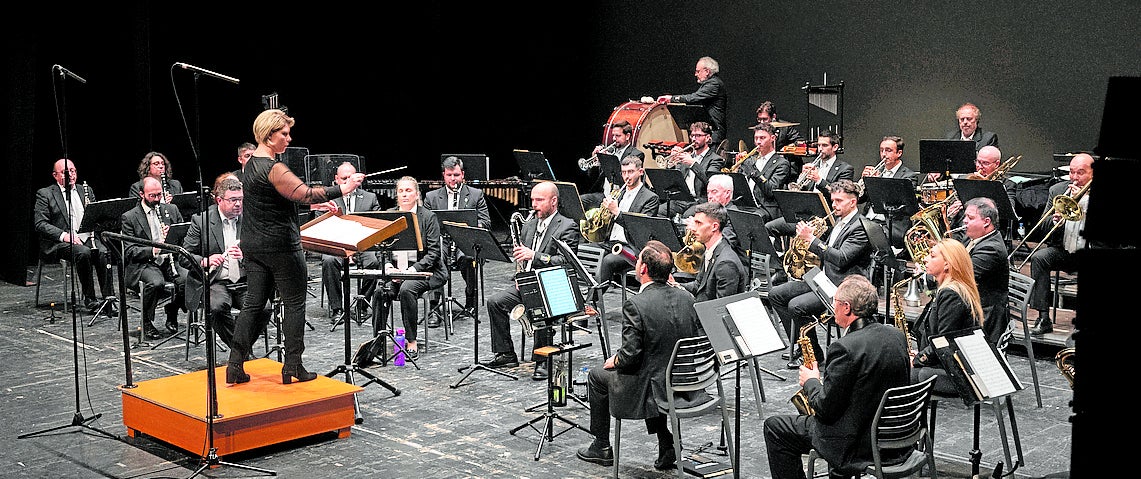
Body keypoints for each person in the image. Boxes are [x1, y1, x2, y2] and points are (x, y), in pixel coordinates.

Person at [226, 108, 364, 385]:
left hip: (254, 244)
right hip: (281, 246)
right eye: (284, 134)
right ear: (269, 135)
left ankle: (234, 365)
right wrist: (345, 189)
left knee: (253, 304)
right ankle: (293, 366)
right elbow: (304, 192)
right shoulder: (274, 167)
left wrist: (313, 204)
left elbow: (276, 199)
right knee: (295, 304)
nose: (289, 139)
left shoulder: (250, 164)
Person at [763, 274, 911, 479]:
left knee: (775, 428)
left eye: (835, 303)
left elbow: (825, 410)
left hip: (856, 442)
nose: (832, 309)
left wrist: (812, 381)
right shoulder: (896, 335)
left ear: (847, 307)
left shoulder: (844, 348)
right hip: (896, 435)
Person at [575, 240, 700, 471]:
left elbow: (631, 356)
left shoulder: (636, 304)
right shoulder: (687, 298)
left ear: (642, 269)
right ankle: (666, 442)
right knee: (653, 368)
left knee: (597, 376)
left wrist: (617, 359)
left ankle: (601, 445)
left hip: (654, 385)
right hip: (683, 379)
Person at [769, 179, 873, 369]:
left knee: (797, 306)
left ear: (853, 202)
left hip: (842, 286)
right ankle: (802, 345)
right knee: (776, 294)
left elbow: (841, 258)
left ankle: (814, 355)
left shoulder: (860, 227)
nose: (834, 205)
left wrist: (812, 240)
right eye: (833, 201)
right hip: (823, 278)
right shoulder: (839, 222)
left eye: (839, 201)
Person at [482, 181, 580, 380]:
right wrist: (521, 276)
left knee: (538, 308)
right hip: (528, 283)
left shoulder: (568, 226)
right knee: (495, 302)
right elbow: (522, 260)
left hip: (554, 286)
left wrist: (534, 255)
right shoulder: (530, 224)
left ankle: (542, 360)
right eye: (533, 199)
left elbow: (566, 263)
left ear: (554, 201)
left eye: (539, 200)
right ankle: (506, 353)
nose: (534, 204)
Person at [180, 174, 268, 350]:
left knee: (265, 308)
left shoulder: (250, 218)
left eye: (241, 200)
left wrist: (245, 255)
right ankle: (242, 351)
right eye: (233, 200)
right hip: (216, 281)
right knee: (217, 308)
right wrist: (205, 260)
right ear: (219, 200)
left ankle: (239, 351)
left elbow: (264, 251)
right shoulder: (202, 221)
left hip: (244, 281)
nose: (238, 204)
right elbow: (184, 256)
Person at [370, 176, 448, 360]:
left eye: (409, 191)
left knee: (407, 289)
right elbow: (381, 249)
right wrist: (389, 267)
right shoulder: (389, 215)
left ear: (417, 194)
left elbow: (434, 253)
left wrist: (410, 273)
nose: (404, 194)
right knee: (380, 291)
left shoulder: (428, 217)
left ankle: (411, 341)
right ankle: (377, 342)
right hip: (396, 272)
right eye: (401, 191)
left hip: (426, 271)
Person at [33, 159, 117, 315]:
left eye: (73, 171)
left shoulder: (85, 190)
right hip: (59, 242)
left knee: (104, 252)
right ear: (55, 175)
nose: (71, 175)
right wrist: (65, 236)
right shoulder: (45, 194)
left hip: (86, 237)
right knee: (83, 253)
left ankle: (108, 299)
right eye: (66, 172)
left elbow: (95, 215)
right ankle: (90, 299)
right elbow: (40, 224)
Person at [1027, 152, 1093, 336]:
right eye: (1072, 172)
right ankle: (1043, 318)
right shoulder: (1057, 190)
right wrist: (1056, 219)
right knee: (1040, 257)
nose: (1074, 177)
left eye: (1080, 173)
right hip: (1063, 250)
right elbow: (1041, 227)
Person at [910, 238, 985, 396]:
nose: (925, 259)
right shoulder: (951, 288)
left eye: (932, 255)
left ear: (947, 264)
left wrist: (918, 359)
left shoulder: (951, 294)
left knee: (900, 373)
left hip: (958, 374)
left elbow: (942, 342)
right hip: (950, 364)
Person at [422, 155, 491, 323]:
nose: (453, 179)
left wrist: (473, 226)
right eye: (449, 175)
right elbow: (423, 222)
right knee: (435, 257)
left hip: (465, 238)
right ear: (444, 176)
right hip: (441, 239)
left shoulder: (476, 195)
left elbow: (486, 222)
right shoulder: (431, 197)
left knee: (468, 257)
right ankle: (434, 307)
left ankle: (470, 302)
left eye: (456, 175)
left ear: (463, 175)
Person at [313, 162, 381, 325]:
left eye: (351, 178)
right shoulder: (327, 198)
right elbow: (318, 226)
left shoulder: (370, 198)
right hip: (337, 244)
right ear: (336, 179)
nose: (347, 182)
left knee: (374, 261)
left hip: (362, 244)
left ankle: (362, 306)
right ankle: (337, 309)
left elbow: (377, 224)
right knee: (329, 261)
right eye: (344, 179)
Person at [120, 176, 186, 340]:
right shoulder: (130, 217)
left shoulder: (171, 210)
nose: (157, 199)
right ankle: (146, 321)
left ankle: (172, 310)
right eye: (152, 196)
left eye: (159, 195)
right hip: (144, 264)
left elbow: (185, 237)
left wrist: (172, 238)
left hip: (170, 260)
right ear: (141, 194)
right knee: (156, 283)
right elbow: (130, 251)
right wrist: (154, 250)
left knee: (188, 280)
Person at [766, 131, 854, 253]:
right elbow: (800, 191)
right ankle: (778, 266)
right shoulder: (814, 164)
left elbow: (840, 194)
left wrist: (819, 180)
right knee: (770, 227)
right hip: (805, 215)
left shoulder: (845, 169)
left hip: (826, 219)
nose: (820, 149)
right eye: (818, 145)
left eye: (824, 146)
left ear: (835, 147)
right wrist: (802, 178)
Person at [592, 156, 660, 289]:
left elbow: (640, 228)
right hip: (610, 242)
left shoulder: (650, 198)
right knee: (583, 251)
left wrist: (616, 212)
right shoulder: (618, 193)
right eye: (623, 172)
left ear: (640, 172)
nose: (626, 176)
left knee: (608, 261)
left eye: (630, 172)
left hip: (631, 246)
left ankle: (593, 301)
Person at [940, 145, 1019, 241]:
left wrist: (987, 189)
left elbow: (1008, 212)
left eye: (985, 163)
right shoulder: (964, 180)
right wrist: (951, 212)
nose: (979, 167)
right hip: (960, 230)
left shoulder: (1008, 185)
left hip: (986, 233)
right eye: (978, 162)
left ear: (997, 164)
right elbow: (951, 210)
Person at [961, 197, 1011, 346]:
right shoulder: (971, 238)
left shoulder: (991, 249)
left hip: (985, 314)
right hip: (974, 302)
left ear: (986, 222)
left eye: (970, 218)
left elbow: (963, 276)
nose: (964, 221)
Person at [676, 202, 746, 302]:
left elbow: (721, 307)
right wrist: (674, 285)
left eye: (699, 223)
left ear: (714, 227)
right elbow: (698, 286)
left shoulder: (726, 264)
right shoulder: (711, 251)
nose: (693, 228)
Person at [859, 135, 919, 250]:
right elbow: (860, 199)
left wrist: (876, 183)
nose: (884, 154)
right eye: (881, 150)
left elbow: (900, 204)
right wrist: (865, 183)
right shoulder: (878, 171)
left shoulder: (908, 176)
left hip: (890, 224)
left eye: (888, 150)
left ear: (899, 153)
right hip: (868, 220)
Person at [656, 121, 724, 220]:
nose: (693, 139)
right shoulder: (686, 156)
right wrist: (671, 163)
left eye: (698, 135)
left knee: (687, 216)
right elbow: (675, 180)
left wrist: (693, 164)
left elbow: (710, 182)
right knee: (658, 211)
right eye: (692, 135)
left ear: (708, 137)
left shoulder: (715, 159)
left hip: (701, 201)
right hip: (682, 200)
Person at [656, 56, 728, 144]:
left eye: (698, 71)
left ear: (707, 71)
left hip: (713, 135)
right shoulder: (712, 83)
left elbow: (693, 98)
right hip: (709, 133)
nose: (695, 74)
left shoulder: (714, 84)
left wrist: (671, 99)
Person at [733, 122, 791, 224]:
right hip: (747, 204)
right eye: (756, 138)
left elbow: (771, 191)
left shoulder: (781, 163)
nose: (758, 142)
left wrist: (753, 171)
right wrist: (736, 169)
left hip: (766, 208)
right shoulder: (751, 160)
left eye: (762, 138)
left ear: (773, 138)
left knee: (751, 218)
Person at [580, 120, 645, 211]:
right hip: (604, 195)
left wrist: (609, 161)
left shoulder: (636, 154)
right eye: (613, 135)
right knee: (579, 201)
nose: (614, 139)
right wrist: (596, 161)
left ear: (627, 136)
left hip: (621, 197)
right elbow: (592, 178)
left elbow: (626, 178)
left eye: (618, 136)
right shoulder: (610, 151)